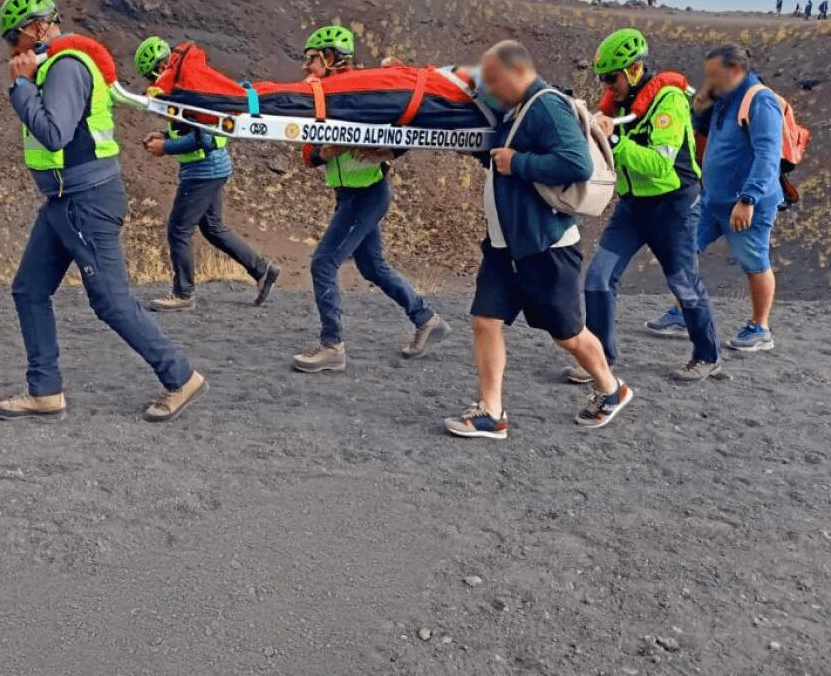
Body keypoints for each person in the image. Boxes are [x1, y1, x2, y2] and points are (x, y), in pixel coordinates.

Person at [0, 0, 207, 422]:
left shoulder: (67, 67)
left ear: (34, 29)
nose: (10, 50)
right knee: (29, 289)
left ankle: (181, 377)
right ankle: (44, 390)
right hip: (61, 200)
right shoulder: (52, 65)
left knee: (110, 301)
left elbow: (55, 133)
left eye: (12, 39)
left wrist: (19, 86)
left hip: (85, 200)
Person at [443, 40, 633, 439]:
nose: (490, 89)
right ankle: (491, 413)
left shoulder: (546, 104)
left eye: (494, 80)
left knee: (568, 333)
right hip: (505, 246)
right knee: (485, 321)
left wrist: (517, 163)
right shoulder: (514, 110)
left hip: (546, 248)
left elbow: (575, 163)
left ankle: (611, 389)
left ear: (517, 72)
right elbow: (502, 154)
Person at [291, 25, 450, 373]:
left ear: (330, 58)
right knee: (372, 266)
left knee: (323, 262)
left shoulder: (365, 91)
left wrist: (390, 151)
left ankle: (332, 346)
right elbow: (307, 154)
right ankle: (427, 319)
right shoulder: (320, 96)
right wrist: (325, 151)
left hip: (367, 194)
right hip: (349, 194)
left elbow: (411, 120)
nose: (305, 67)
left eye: (311, 59)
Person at [571, 29, 721, 384]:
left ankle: (707, 355)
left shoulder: (668, 101)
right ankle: (601, 359)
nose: (608, 86)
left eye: (612, 78)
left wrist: (614, 141)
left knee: (683, 283)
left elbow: (658, 165)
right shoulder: (620, 105)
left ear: (634, 70)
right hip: (634, 207)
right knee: (598, 277)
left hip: (674, 207)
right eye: (604, 79)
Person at [645, 43, 782, 351]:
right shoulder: (725, 99)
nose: (708, 79)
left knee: (754, 261)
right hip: (714, 199)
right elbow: (704, 134)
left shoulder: (760, 101)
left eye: (713, 74)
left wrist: (748, 199)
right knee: (685, 247)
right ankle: (684, 312)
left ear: (735, 71)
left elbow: (768, 155)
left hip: (746, 203)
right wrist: (700, 109)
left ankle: (761, 328)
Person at [133, 35, 281, 311]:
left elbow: (202, 138)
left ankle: (183, 294)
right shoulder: (185, 85)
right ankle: (263, 270)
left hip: (203, 169)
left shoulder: (187, 89)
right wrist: (164, 135)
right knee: (213, 228)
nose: (152, 83)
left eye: (150, 75)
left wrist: (165, 146)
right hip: (213, 166)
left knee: (178, 229)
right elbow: (189, 128)